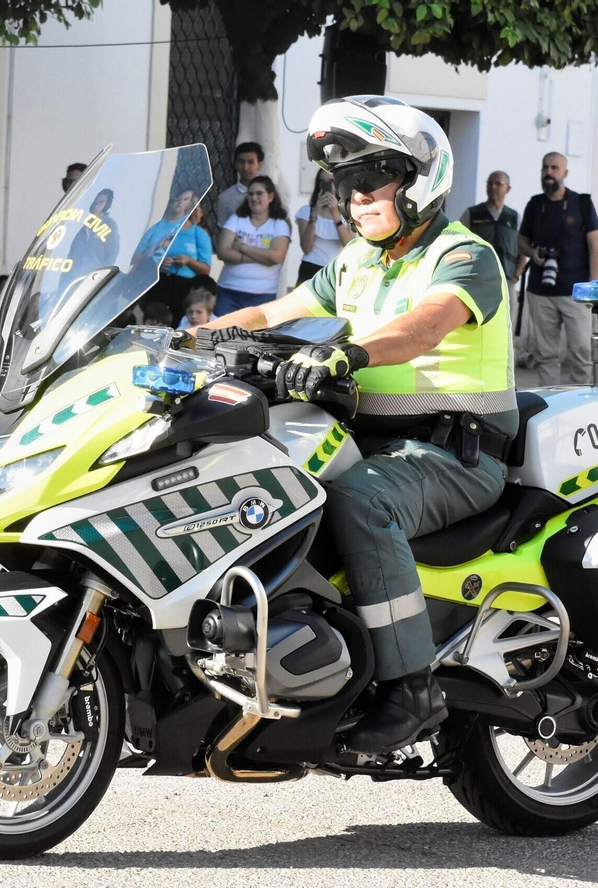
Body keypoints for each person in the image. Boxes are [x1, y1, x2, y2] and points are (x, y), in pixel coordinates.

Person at [195, 97, 514, 756]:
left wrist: (353, 351)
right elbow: (276, 312)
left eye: (372, 180)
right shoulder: (355, 264)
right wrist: (185, 336)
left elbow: (426, 325)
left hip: (453, 452)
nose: (357, 197)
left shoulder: (463, 254)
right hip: (372, 443)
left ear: (418, 180)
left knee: (358, 501)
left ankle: (412, 687)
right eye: (345, 185)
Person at [517, 151, 598, 386]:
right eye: (545, 168)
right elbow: (521, 240)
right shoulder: (535, 204)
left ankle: (581, 404)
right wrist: (533, 253)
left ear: (565, 173)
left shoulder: (582, 203)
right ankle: (551, 405)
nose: (549, 173)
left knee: (582, 353)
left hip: (576, 292)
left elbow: (595, 246)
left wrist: (592, 286)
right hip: (540, 291)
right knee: (545, 356)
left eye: (554, 168)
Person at [214, 175, 291, 315]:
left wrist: (243, 247)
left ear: (271, 196)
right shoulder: (236, 219)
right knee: (221, 335)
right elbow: (223, 252)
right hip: (228, 292)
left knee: (255, 337)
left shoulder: (279, 224)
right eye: (250, 194)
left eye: (259, 193)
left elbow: (276, 257)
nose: (254, 198)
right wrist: (262, 256)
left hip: (262, 296)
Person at [295, 169, 355, 286]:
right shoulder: (305, 211)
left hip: (335, 269)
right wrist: (315, 214)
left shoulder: (348, 213)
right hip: (310, 267)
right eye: (322, 182)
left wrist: (335, 215)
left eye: (331, 181)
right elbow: (306, 248)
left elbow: (349, 245)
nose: (327, 186)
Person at [463, 171, 520, 281]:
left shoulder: (514, 217)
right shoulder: (471, 214)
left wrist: (516, 275)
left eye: (498, 184)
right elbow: (459, 243)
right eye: (489, 183)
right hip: (478, 277)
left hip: (506, 278)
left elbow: (522, 249)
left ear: (508, 189)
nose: (493, 187)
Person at [66, 188, 121, 274]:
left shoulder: (110, 225)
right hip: (74, 277)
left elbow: (112, 254)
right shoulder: (84, 227)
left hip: (92, 279)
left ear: (107, 204)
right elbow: (72, 253)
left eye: (101, 202)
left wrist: (101, 276)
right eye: (96, 201)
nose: (97, 205)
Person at [213, 142, 263, 233]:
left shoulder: (272, 192)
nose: (245, 167)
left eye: (250, 162)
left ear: (259, 165)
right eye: (241, 162)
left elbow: (283, 223)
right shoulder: (225, 198)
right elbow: (223, 230)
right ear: (235, 163)